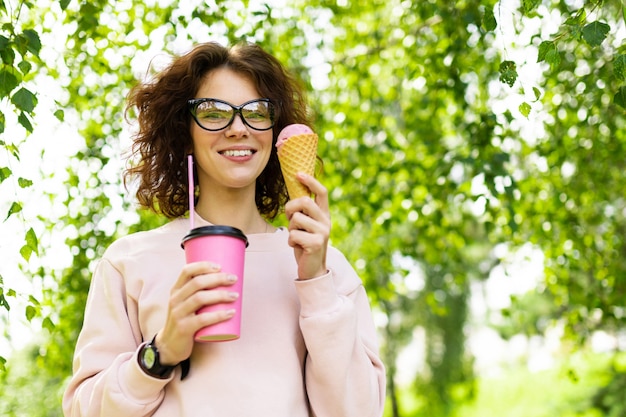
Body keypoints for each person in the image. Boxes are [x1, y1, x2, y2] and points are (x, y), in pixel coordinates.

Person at [62, 41, 386, 417]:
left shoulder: (328, 269)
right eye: (213, 113)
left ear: (274, 132)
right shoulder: (128, 262)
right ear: (185, 132)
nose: (237, 129)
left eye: (256, 112)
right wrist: (160, 352)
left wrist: (315, 281)